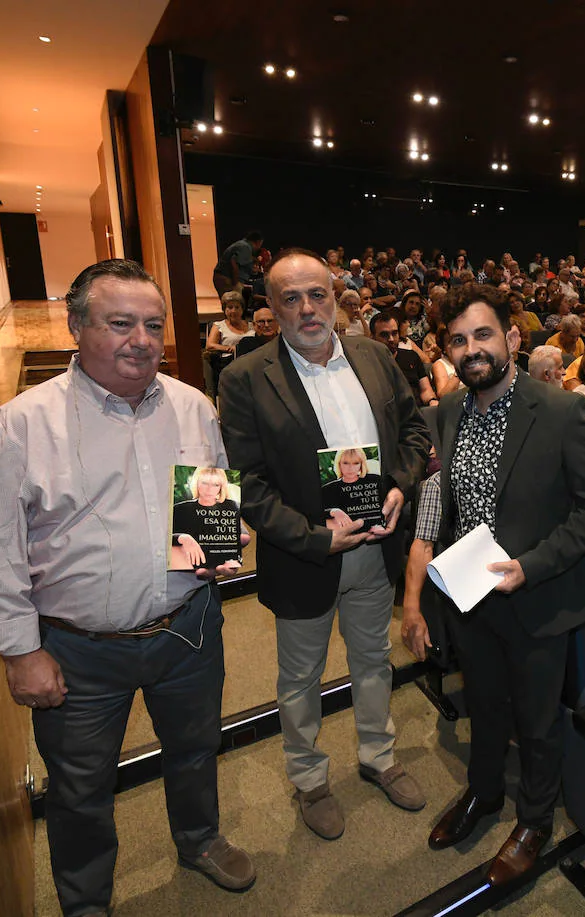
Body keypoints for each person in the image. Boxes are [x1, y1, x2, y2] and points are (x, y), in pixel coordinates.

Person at [0, 259, 257, 915]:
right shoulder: (18, 427)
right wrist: (20, 651)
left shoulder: (192, 407)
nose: (142, 340)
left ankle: (200, 838)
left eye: (153, 324)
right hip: (77, 651)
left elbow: (209, 501)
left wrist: (214, 547)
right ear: (76, 326)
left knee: (195, 745)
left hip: (187, 627)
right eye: (120, 323)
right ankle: (87, 899)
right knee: (80, 785)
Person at [218, 248, 432, 842]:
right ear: (273, 307)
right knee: (300, 678)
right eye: (292, 298)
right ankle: (309, 778)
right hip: (304, 557)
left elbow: (414, 431)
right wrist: (313, 537)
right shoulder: (244, 378)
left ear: (336, 299)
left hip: (376, 546)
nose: (308, 308)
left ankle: (378, 756)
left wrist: (399, 485)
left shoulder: (374, 356)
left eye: (318, 294)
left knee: (371, 661)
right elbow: (247, 481)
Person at [427, 283, 585, 885]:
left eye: (482, 334)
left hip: (537, 596)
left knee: (536, 721)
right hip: (470, 598)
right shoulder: (447, 411)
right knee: (482, 706)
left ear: (511, 338)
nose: (471, 348)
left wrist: (530, 566)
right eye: (458, 340)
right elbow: (453, 507)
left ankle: (534, 820)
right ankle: (483, 794)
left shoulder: (560, 410)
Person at [205, 292, 253, 389]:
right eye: (230, 307)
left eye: (237, 307)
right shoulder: (219, 325)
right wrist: (229, 348)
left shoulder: (252, 325)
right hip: (229, 363)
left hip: (251, 362)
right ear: (224, 310)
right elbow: (210, 345)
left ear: (242, 309)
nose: (233, 311)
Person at [212, 231, 263, 298]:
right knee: (232, 302)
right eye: (260, 244)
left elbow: (241, 264)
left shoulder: (242, 245)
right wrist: (236, 284)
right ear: (258, 242)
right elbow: (234, 263)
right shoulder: (245, 247)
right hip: (226, 279)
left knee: (231, 303)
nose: (259, 247)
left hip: (225, 278)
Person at [431, 329, 464, 397]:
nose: (455, 345)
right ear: (444, 349)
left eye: (457, 340)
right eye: (450, 341)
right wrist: (459, 370)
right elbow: (443, 396)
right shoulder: (439, 364)